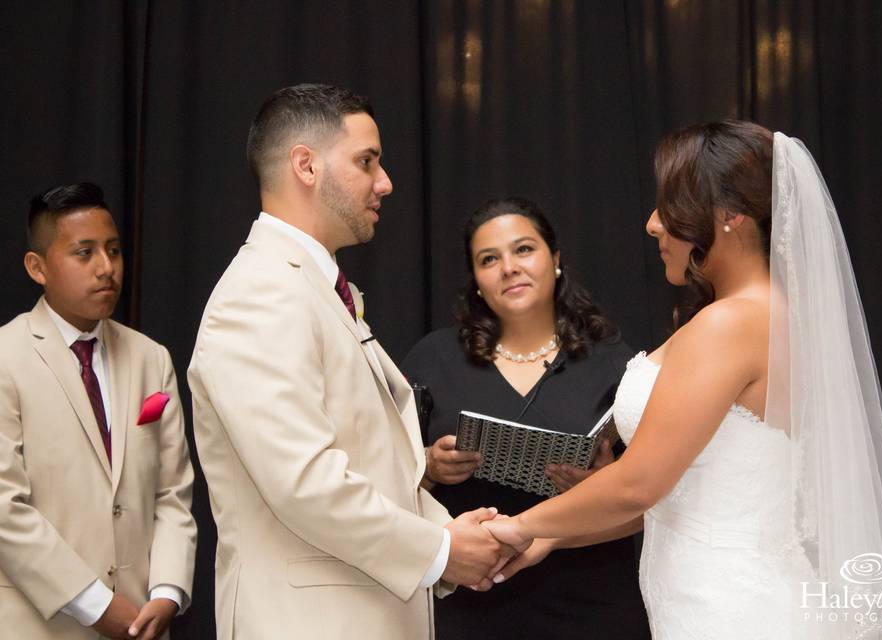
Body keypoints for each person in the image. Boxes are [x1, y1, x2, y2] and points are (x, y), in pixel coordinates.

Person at [484, 122, 882, 639]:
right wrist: (554, 539)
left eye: (670, 206)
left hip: (734, 611)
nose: (652, 224)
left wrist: (518, 525)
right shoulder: (767, 314)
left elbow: (638, 484)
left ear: (729, 216)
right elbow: (681, 498)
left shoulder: (730, 323)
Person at [188, 83, 511, 640]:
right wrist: (441, 550)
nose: (385, 183)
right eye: (367, 162)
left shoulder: (310, 285)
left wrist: (453, 532)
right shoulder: (260, 292)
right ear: (305, 166)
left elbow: (372, 466)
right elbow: (305, 481)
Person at [402, 197, 647, 640]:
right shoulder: (433, 358)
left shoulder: (613, 361)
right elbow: (383, 483)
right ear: (476, 280)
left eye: (523, 250)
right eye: (489, 259)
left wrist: (608, 480)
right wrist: (429, 467)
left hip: (592, 603)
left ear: (555, 260)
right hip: (470, 601)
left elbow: (653, 499)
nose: (509, 268)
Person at [0, 183, 197, 640]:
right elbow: (5, 508)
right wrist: (94, 603)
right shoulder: (7, 357)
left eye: (113, 250)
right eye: (83, 253)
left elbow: (172, 491)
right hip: (40, 623)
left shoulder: (152, 358)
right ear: (37, 267)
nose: (106, 268)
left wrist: (167, 591)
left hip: (143, 623)